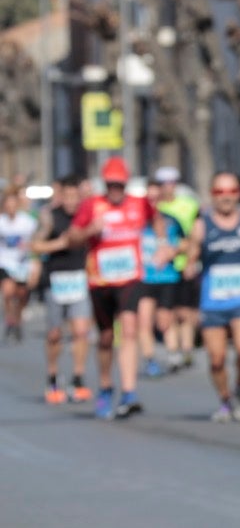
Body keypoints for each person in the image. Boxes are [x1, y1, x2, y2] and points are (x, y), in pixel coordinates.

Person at [70, 157, 153, 420]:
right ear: (105, 184)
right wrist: (89, 231)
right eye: (111, 184)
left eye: (120, 184)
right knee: (106, 337)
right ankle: (106, 385)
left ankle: (129, 391)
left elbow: (158, 222)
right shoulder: (92, 206)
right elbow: (72, 237)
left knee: (129, 328)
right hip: (100, 281)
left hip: (130, 278)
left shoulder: (140, 204)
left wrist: (163, 245)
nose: (115, 189)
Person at [185, 172, 240, 422]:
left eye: (231, 192)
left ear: (238, 194)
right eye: (220, 192)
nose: (226, 197)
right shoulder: (202, 225)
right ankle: (225, 398)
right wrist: (187, 266)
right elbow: (190, 258)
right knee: (217, 359)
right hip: (213, 301)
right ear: (212, 195)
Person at [33, 176, 93, 404]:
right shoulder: (50, 217)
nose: (71, 202)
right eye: (66, 197)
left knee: (80, 331)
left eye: (74, 197)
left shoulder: (85, 218)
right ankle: (53, 377)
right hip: (55, 280)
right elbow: (36, 245)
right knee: (54, 334)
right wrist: (61, 243)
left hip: (79, 279)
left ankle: (78, 378)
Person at [133, 183, 187, 378]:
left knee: (164, 320)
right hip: (144, 277)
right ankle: (150, 359)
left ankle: (173, 354)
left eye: (156, 199)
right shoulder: (137, 221)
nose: (153, 203)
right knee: (144, 321)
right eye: (149, 199)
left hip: (166, 277)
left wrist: (172, 250)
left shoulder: (171, 221)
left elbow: (185, 243)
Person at [153, 167, 202, 370]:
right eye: (163, 184)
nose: (168, 187)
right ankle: (173, 352)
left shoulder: (189, 205)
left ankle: (187, 349)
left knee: (185, 313)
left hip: (185, 263)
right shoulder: (154, 207)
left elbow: (195, 236)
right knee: (168, 313)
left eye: (171, 183)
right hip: (164, 269)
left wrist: (191, 260)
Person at [0, 186, 36, 343]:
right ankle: (10, 320)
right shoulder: (1, 222)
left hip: (22, 263)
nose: (10, 208)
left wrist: (34, 262)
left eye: (13, 205)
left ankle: (18, 319)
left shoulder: (27, 222)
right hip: (5, 262)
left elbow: (36, 241)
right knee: (8, 292)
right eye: (8, 205)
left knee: (21, 295)